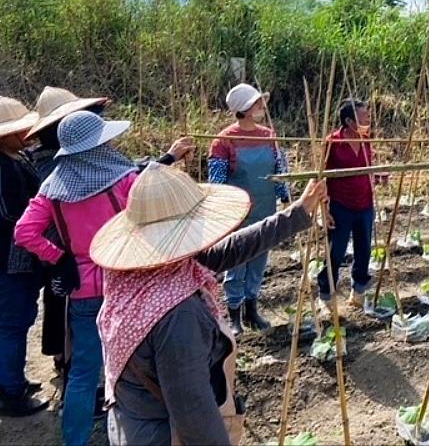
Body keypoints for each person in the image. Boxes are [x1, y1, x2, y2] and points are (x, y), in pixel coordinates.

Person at [88, 164, 326, 446]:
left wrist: (296, 213)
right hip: (163, 435)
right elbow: (193, 414)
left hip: (132, 424)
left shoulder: (137, 274)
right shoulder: (177, 313)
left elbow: (227, 251)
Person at [14, 111, 192, 446]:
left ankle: (74, 440)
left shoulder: (53, 189)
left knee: (82, 372)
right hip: (126, 282)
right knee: (133, 366)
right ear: (99, 144)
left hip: (82, 288)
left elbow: (24, 232)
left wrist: (59, 257)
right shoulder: (124, 181)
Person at [25, 86, 109, 376]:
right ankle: (67, 362)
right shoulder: (54, 165)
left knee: (60, 304)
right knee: (66, 311)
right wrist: (59, 256)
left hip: (58, 250)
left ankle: (64, 360)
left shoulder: (45, 158)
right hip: (64, 250)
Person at [208, 83, 290, 336]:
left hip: (265, 207)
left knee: (259, 260)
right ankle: (234, 313)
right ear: (243, 109)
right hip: (238, 213)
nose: (261, 107)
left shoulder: (268, 136)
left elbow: (279, 171)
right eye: (256, 104)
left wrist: (285, 198)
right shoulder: (224, 141)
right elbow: (217, 181)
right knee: (237, 263)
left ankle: (252, 309)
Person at [0, 97, 48, 417]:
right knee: (13, 325)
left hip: (11, 256)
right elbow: (15, 218)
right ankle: (11, 391)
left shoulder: (14, 158)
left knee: (12, 324)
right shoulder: (6, 168)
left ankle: (11, 379)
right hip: (12, 259)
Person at [318, 99, 373, 311]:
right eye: (363, 117)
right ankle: (326, 294)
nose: (368, 119)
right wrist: (324, 209)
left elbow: (369, 166)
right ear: (349, 121)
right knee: (335, 252)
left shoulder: (367, 139)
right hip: (341, 205)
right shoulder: (333, 141)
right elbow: (321, 177)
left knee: (364, 249)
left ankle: (358, 291)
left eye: (368, 115)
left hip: (365, 203)